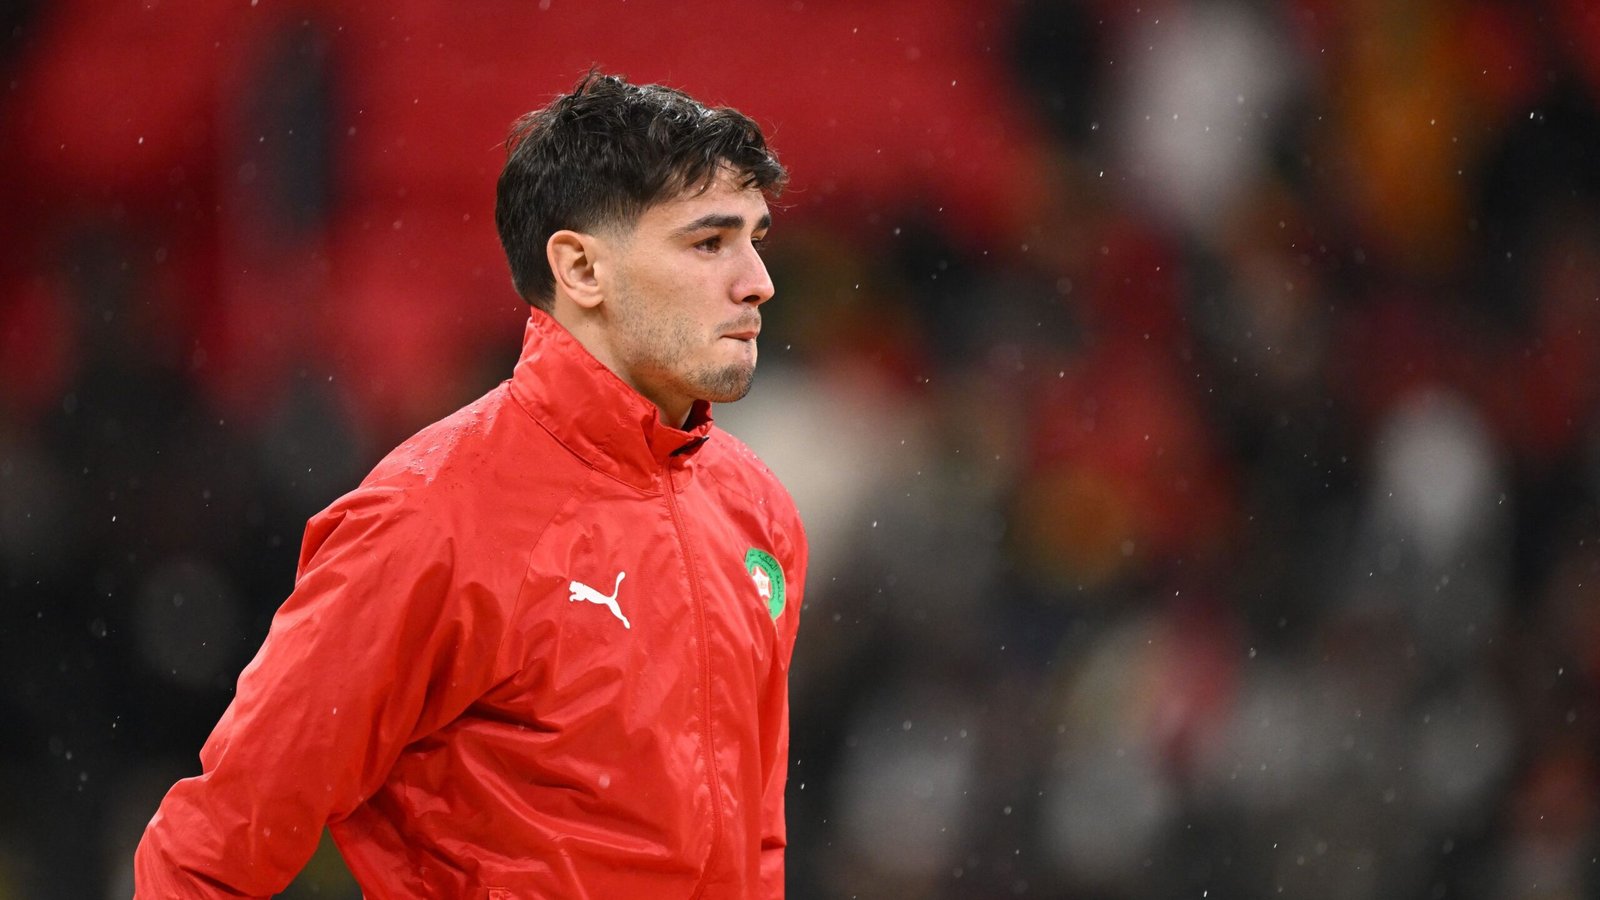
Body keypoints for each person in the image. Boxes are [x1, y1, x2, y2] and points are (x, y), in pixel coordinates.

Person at [134, 71, 807, 898]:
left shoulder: (759, 511)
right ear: (581, 269)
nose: (756, 282)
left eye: (755, 238)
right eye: (709, 243)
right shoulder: (426, 517)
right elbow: (215, 849)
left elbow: (756, 841)